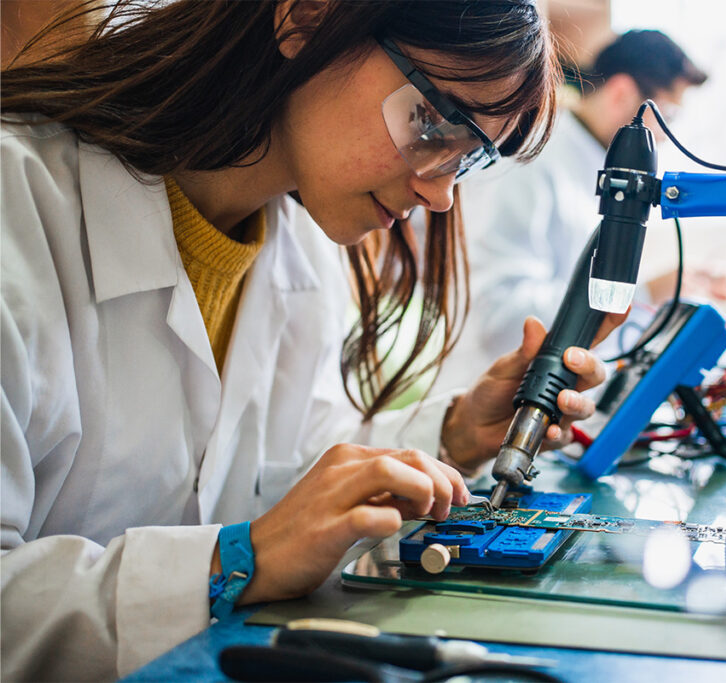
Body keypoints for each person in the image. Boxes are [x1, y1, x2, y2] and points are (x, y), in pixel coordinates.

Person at [0, 2, 622, 679]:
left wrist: (455, 432)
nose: (442, 195)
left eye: (467, 158)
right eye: (436, 119)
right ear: (306, 19)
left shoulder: (299, 256)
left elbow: (293, 468)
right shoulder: (19, 207)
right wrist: (238, 558)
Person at [455, 30, 708, 372]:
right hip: (490, 393)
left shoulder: (592, 160)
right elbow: (502, 318)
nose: (664, 137)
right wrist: (643, 293)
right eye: (667, 115)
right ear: (621, 93)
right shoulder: (529, 159)